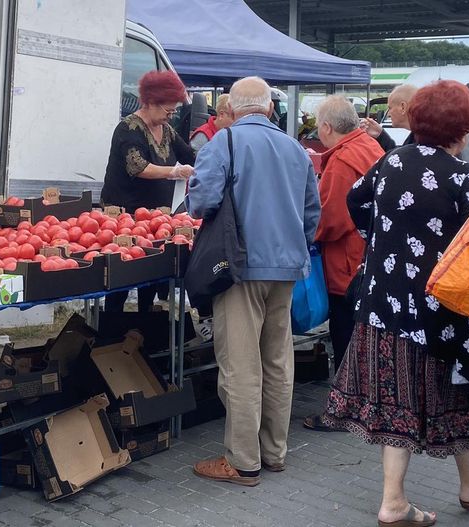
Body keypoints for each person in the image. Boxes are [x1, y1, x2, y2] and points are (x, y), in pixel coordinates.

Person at [323, 80, 469, 527]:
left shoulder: (390, 161)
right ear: (463, 126)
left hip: (383, 305)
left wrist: (383, 242)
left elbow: (356, 204)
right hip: (441, 312)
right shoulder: (464, 177)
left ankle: (396, 499)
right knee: (452, 394)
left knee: (395, 396)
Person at [187, 76, 320, 487]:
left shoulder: (222, 143)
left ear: (232, 108)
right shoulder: (296, 148)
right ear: (268, 108)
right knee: (278, 361)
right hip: (286, 268)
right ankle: (274, 453)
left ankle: (243, 462)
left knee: (241, 366)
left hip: (239, 268)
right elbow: (312, 213)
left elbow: (201, 201)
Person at [302, 95, 384, 431]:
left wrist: (305, 234)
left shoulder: (342, 161)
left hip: (347, 262)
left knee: (344, 333)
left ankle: (345, 410)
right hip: (370, 256)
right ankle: (366, 401)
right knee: (362, 335)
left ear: (326, 126)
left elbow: (330, 219)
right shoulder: (368, 146)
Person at [100, 70, 194, 312]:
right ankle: (113, 325)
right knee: (122, 275)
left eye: (173, 112)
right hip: (125, 215)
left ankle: (144, 323)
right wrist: (173, 172)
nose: (170, 117)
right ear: (151, 102)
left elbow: (190, 155)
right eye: (167, 111)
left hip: (156, 217)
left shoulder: (167, 131)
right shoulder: (128, 129)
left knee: (151, 271)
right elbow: (138, 166)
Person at [360, 84, 418, 151]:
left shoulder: (424, 139)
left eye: (390, 108)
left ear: (403, 107)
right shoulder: (419, 136)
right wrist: (380, 134)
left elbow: (402, 158)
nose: (388, 114)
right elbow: (400, 156)